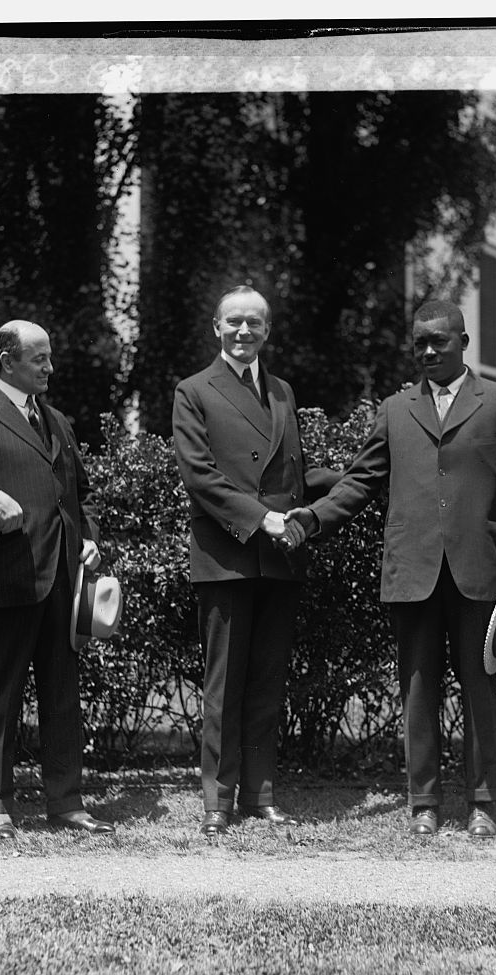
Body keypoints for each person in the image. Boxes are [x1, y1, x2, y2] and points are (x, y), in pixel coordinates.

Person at [287, 300, 496, 837]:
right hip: (413, 573)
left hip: (480, 572)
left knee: (480, 686)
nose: (427, 351)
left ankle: (484, 803)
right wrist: (312, 519)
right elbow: (359, 481)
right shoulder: (395, 410)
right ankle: (424, 803)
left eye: (439, 342)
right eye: (419, 343)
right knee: (417, 689)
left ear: (463, 344)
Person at [172, 286, 339, 836]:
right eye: (235, 323)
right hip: (228, 554)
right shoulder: (194, 390)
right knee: (225, 682)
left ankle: (260, 794)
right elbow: (200, 476)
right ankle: (218, 800)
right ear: (215, 327)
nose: (245, 333)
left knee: (268, 681)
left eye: (255, 325)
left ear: (268, 331)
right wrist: (260, 518)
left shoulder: (284, 392)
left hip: (281, 558)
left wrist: (356, 482)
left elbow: (295, 477)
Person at [0, 319, 115, 840]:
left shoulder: (57, 420)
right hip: (8, 579)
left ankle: (67, 803)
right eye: (40, 359)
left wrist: (91, 534)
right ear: (8, 362)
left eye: (50, 358)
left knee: (62, 695)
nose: (50, 368)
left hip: (63, 578)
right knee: (0, 695)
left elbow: (81, 494)